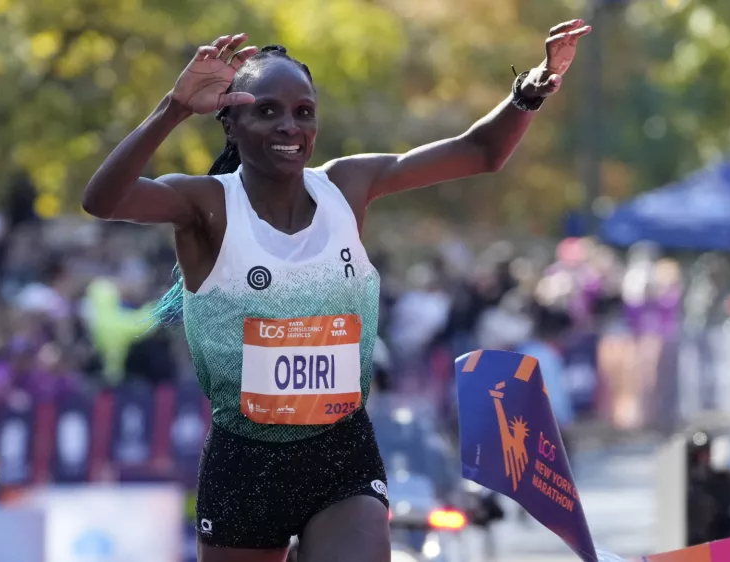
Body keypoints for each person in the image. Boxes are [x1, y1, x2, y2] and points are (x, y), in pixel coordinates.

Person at [82, 23, 590, 562]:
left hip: (340, 455)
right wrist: (174, 108)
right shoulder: (206, 204)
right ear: (230, 122)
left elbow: (479, 152)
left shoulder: (347, 186)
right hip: (245, 465)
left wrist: (530, 90)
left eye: (304, 112)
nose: (290, 126)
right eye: (268, 110)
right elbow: (103, 200)